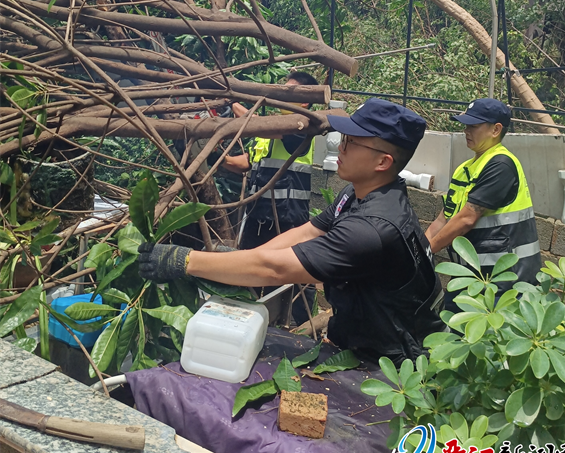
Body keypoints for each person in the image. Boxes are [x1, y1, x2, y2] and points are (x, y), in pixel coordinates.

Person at [138, 98, 445, 367]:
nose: (341, 146)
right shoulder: (358, 194)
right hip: (360, 341)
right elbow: (305, 233)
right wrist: (242, 257)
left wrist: (185, 261)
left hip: (390, 364)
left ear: (383, 161)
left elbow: (275, 269)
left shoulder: (372, 229)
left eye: (352, 142)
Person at [426, 98, 541, 297]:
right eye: (465, 125)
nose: (466, 131)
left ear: (496, 130)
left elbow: (467, 218)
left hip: (504, 283)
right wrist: (421, 250)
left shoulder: (501, 164)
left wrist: (428, 252)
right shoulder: (465, 169)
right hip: (472, 278)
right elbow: (443, 218)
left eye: (474, 126)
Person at [223, 71, 319, 251]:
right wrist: (217, 157)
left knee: (278, 273)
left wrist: (232, 103)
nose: (280, 96)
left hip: (286, 218)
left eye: (287, 93)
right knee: (249, 268)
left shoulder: (304, 125)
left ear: (305, 101)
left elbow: (256, 124)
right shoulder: (272, 131)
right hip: (258, 215)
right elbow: (246, 163)